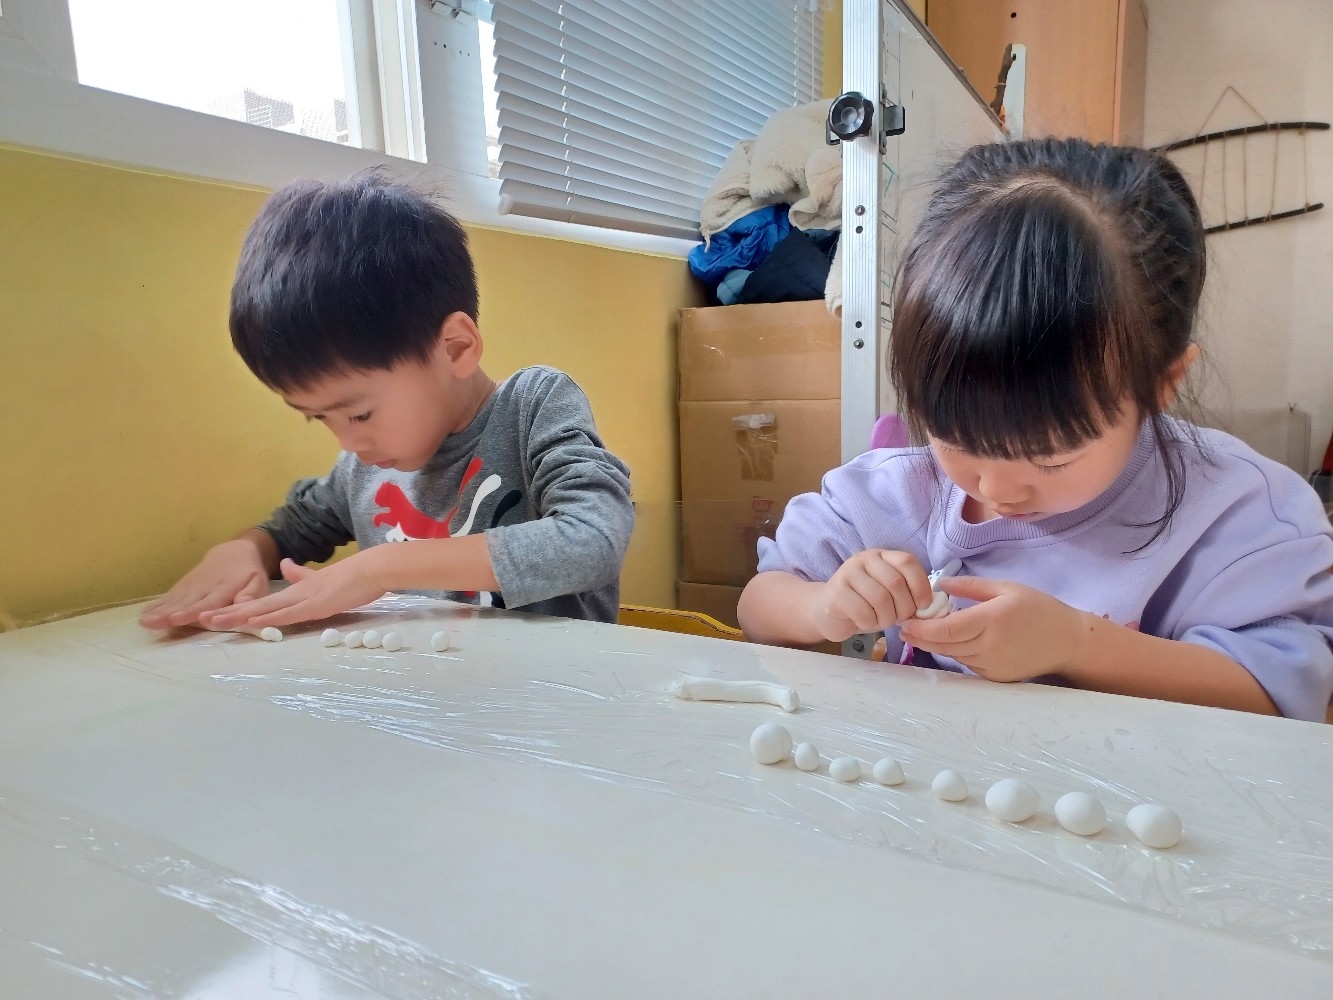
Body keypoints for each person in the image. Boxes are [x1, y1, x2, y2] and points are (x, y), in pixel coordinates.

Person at [738, 137, 1333, 721]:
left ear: (1162, 383)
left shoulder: (1238, 512)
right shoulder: (897, 493)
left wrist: (1076, 644)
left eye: (1051, 459)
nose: (996, 490)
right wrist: (823, 607)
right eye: (956, 438)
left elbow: (1279, 695)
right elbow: (759, 604)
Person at [140, 172, 633, 631]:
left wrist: (380, 568)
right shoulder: (362, 470)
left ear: (454, 348)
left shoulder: (532, 406)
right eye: (318, 418)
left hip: (556, 689)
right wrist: (245, 550)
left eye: (359, 413)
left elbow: (593, 540)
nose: (349, 443)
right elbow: (292, 528)